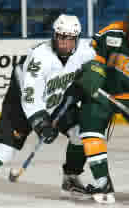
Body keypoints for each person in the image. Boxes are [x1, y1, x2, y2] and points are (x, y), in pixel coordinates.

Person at [0, 14, 96, 199]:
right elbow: (30, 96)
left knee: (82, 133)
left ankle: (71, 179)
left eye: (69, 38)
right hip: (20, 105)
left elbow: (103, 63)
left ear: (77, 38)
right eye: (60, 37)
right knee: (4, 151)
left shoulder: (85, 51)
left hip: (57, 102)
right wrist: (42, 125)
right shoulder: (40, 57)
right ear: (54, 35)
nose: (64, 43)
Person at [60, 17, 129, 204]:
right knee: (88, 125)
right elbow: (91, 61)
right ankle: (94, 181)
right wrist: (91, 73)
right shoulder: (110, 33)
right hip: (103, 91)